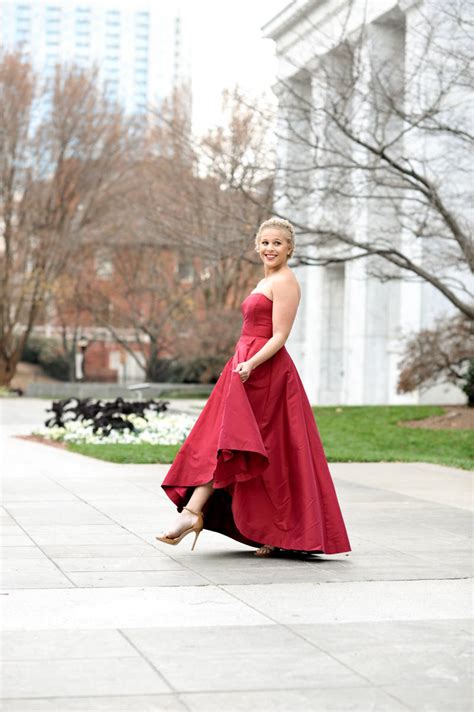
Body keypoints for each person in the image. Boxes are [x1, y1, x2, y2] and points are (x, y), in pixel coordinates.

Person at [157, 217, 351, 557]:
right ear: (256, 246)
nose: (270, 249)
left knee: (236, 445)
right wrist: (241, 362)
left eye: (277, 243)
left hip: (264, 374)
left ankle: (194, 515)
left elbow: (280, 335)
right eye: (265, 242)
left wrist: (251, 363)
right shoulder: (268, 280)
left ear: (290, 248)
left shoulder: (286, 281)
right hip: (244, 369)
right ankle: (262, 529)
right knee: (234, 445)